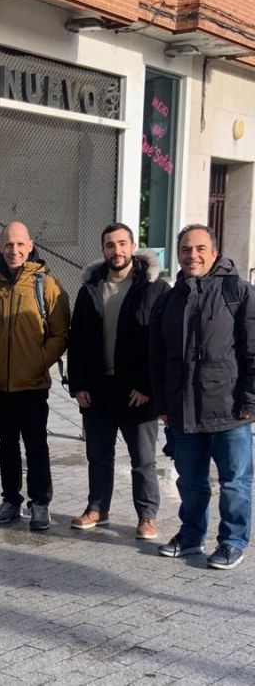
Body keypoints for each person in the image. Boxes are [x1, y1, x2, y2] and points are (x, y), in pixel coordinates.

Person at [151, 224, 255, 570]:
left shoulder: (238, 292)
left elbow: (252, 350)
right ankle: (191, 535)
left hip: (229, 410)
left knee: (234, 483)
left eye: (199, 249)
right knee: (191, 482)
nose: (191, 255)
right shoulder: (169, 298)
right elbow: (160, 356)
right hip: (183, 411)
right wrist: (163, 405)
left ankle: (232, 541)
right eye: (185, 249)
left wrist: (250, 400)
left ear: (214, 251)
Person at [67, 223, 168, 540]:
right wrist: (78, 385)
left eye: (122, 244)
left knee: (143, 459)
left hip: (137, 391)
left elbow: (160, 342)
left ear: (133, 246)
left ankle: (147, 515)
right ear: (103, 250)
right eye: (110, 245)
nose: (117, 250)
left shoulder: (154, 288)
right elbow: (78, 340)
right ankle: (98, 507)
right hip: (98, 388)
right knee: (98, 455)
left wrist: (147, 386)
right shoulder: (90, 289)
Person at [0, 221, 69, 532]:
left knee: (36, 445)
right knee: (6, 444)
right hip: (0, 385)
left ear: (30, 245)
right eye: (8, 245)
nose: (14, 250)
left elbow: (60, 333)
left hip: (32, 383)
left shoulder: (46, 284)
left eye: (20, 244)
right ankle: (10, 500)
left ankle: (40, 503)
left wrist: (37, 363)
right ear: (0, 246)